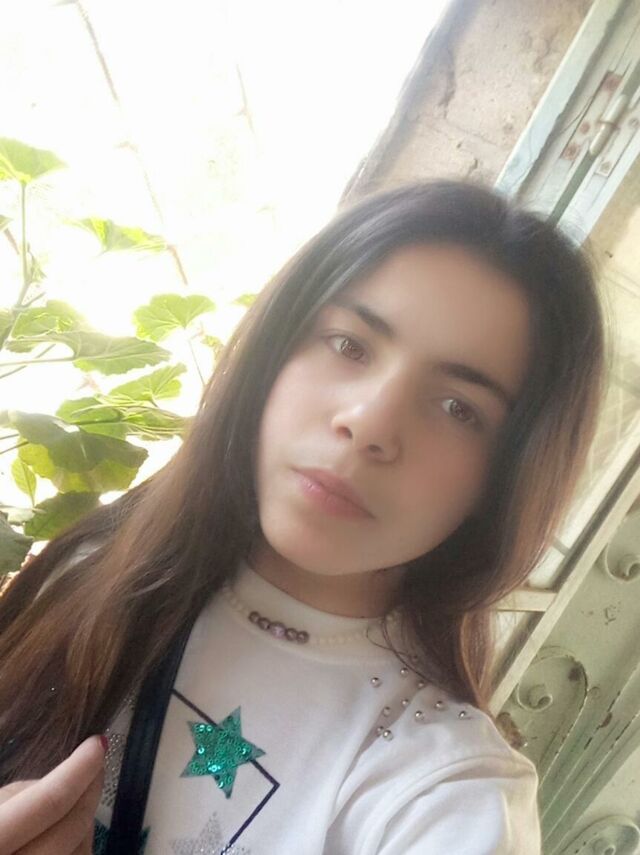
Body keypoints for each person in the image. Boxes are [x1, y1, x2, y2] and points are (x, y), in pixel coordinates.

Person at [0, 180, 605, 854]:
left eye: (458, 407)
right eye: (349, 345)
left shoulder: (442, 795)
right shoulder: (91, 570)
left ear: (505, 478)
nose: (368, 422)